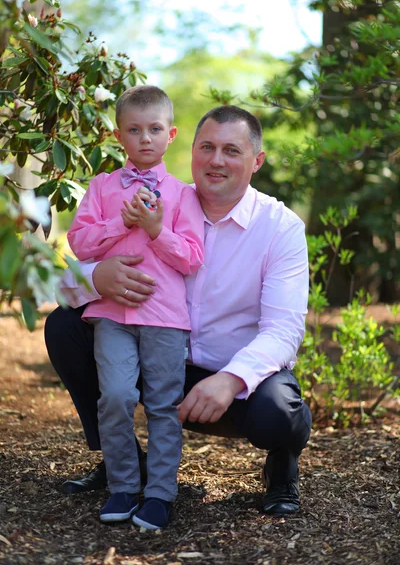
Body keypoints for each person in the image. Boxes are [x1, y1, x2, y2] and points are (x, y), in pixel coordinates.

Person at [45, 104, 312, 521]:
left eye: (231, 151)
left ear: (256, 161)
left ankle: (281, 468)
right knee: (64, 325)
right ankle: (124, 461)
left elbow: (284, 330)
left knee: (278, 411)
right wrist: (98, 278)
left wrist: (229, 379)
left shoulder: (281, 227)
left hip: (230, 382)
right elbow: (63, 283)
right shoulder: (161, 199)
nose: (216, 160)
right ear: (189, 150)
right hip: (162, 358)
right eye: (206, 147)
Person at [65, 85, 204, 530]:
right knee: (117, 397)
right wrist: (118, 222)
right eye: (134, 129)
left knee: (164, 405)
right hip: (112, 316)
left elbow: (191, 256)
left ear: (171, 134)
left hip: (164, 319)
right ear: (118, 135)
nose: (145, 138)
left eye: (155, 129)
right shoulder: (102, 187)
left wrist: (156, 229)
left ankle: (160, 493)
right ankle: (123, 485)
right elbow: (79, 243)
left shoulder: (184, 195)